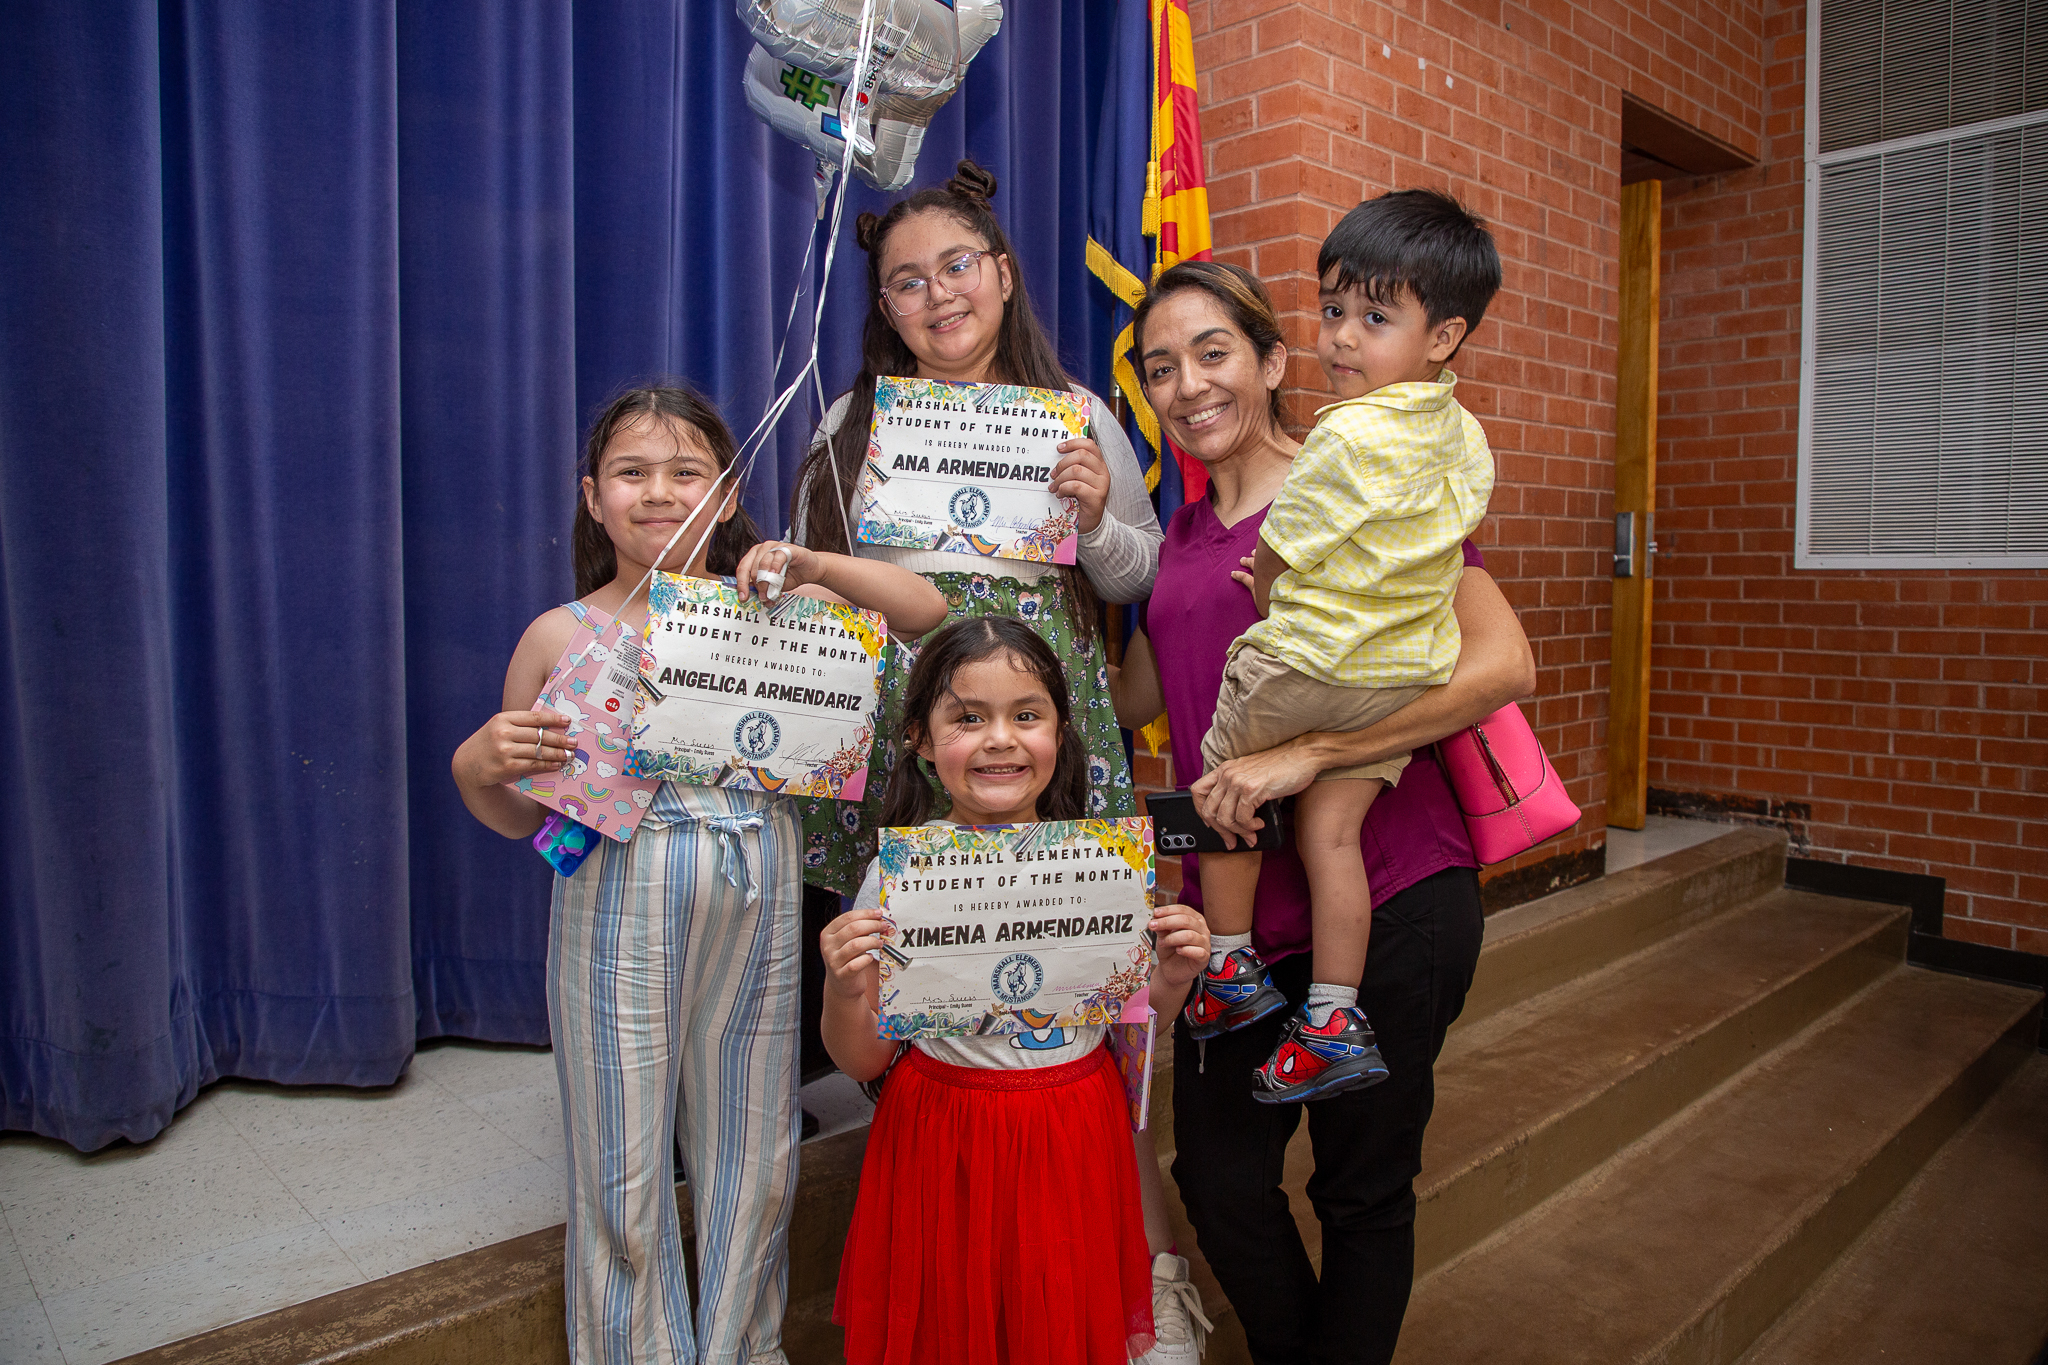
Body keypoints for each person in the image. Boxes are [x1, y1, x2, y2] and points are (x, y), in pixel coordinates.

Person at [788, 160, 1201, 1356]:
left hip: (1040, 729)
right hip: (914, 736)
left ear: (1003, 274)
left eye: (955, 267)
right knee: (921, 985)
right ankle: (960, 1254)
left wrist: (1091, 521)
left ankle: (1137, 1271)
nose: (935, 296)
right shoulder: (848, 422)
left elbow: (1139, 583)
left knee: (1078, 994)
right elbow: (819, 605)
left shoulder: (1077, 413)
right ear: (885, 305)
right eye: (905, 282)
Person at [451, 385, 946, 1365]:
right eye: (632, 473)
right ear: (591, 498)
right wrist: (478, 765)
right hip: (612, 902)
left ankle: (738, 1348)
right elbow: (517, 815)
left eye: (688, 473)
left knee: (753, 1156)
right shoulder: (558, 637)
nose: (659, 493)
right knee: (621, 1162)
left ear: (725, 498)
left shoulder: (781, 609)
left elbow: (925, 609)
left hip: (759, 892)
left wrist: (805, 558)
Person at [1112, 261, 1535, 1363]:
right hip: (1237, 923)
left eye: (1213, 353)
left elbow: (1499, 667)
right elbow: (1132, 704)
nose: (1188, 385)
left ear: (1270, 362)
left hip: (1389, 893)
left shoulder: (1355, 485)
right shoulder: (1177, 542)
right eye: (1161, 368)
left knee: (1360, 1189)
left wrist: (1309, 755)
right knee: (1218, 1180)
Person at [817, 616, 1212, 1365]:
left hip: (1073, 1136)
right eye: (968, 717)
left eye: (1026, 715)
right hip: (943, 1143)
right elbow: (863, 1060)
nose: (1000, 738)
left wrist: (1174, 976)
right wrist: (843, 988)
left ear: (1060, 732)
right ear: (922, 739)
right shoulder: (895, 885)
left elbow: (1133, 1027)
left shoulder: (1100, 871)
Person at [1182, 190, 1502, 1106]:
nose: (1342, 339)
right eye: (1331, 311)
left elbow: (1281, 549)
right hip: (1398, 682)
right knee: (1331, 830)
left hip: (1312, 665)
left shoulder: (1342, 432)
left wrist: (1276, 593)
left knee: (1221, 783)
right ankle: (1330, 1014)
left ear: (1442, 337)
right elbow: (1443, 538)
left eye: (1373, 316)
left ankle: (1233, 967)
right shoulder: (1465, 436)